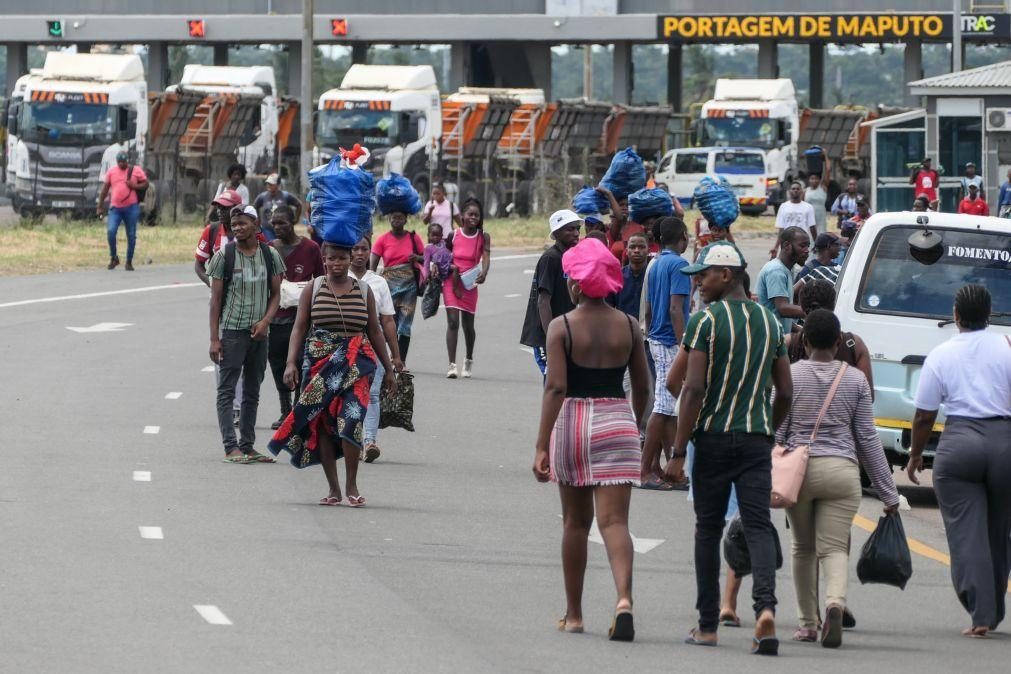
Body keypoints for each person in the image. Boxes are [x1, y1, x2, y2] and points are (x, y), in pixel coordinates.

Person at [673, 241, 793, 655]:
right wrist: (767, 431)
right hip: (756, 440)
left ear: (725, 275)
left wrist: (676, 451)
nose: (699, 285)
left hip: (712, 439)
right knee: (758, 526)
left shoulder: (705, 322)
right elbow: (786, 392)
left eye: (703, 276)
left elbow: (690, 388)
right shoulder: (772, 324)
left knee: (708, 529)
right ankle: (766, 611)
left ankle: (708, 625)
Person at [532, 237, 651, 641]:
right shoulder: (629, 325)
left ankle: (575, 613)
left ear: (578, 285)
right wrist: (630, 425)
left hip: (575, 424)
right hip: (618, 419)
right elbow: (644, 388)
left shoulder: (561, 326)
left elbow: (556, 389)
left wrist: (541, 444)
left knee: (576, 524)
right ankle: (623, 601)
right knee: (616, 522)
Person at [777, 309, 900, 648]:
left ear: (803, 342)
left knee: (803, 548)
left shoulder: (791, 374)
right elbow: (867, 440)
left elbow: (778, 429)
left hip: (799, 472)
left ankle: (806, 623)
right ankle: (835, 603)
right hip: (842, 472)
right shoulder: (855, 380)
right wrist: (889, 494)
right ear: (837, 342)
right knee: (833, 548)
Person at [908, 284, 1011, 639]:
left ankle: (981, 613)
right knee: (999, 531)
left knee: (968, 533)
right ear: (989, 314)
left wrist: (916, 455)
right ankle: (994, 609)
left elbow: (924, 415)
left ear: (955, 315)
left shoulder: (941, 354)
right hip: (1004, 444)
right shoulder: (1007, 346)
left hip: (959, 444)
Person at [269, 242, 396, 506]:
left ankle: (352, 484)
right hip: (320, 363)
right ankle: (334, 488)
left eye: (342, 258)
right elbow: (299, 328)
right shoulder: (313, 288)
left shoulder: (364, 290)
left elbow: (374, 331)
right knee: (324, 425)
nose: (337, 263)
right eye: (331, 259)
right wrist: (291, 362)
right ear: (324, 261)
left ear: (351, 260)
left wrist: (390, 368)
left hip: (356, 364)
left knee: (351, 420)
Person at [208, 205, 285, 464]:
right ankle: (231, 447)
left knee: (252, 390)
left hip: (259, 334)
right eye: (234, 224)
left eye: (243, 223)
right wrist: (214, 339)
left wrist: (265, 322)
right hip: (232, 331)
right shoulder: (224, 256)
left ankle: (248, 445)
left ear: (255, 225)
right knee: (227, 390)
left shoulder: (270, 255)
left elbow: (276, 294)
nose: (238, 228)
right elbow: (215, 300)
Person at [640, 218, 692, 490]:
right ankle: (644, 470)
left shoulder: (656, 263)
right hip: (670, 341)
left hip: (656, 338)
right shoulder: (680, 265)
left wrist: (651, 335)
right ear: (682, 237)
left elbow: (648, 308)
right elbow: (676, 309)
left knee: (669, 407)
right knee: (662, 407)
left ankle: (673, 468)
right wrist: (686, 344)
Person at [267, 207, 324, 430]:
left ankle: (299, 409)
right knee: (277, 362)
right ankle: (285, 410)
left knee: (301, 361)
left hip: (301, 319)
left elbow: (320, 280)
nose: (278, 228)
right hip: (276, 317)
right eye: (274, 224)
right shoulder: (271, 249)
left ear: (293, 222)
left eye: (282, 223)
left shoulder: (311, 248)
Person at [350, 236, 404, 464]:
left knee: (372, 394)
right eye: (356, 249)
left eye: (365, 249)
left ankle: (369, 441)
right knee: (349, 394)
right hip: (346, 344)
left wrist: (396, 355)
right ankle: (348, 440)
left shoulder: (378, 282)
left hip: (374, 343)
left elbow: (388, 320)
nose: (360, 253)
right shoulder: (338, 277)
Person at [520, 210, 581, 376]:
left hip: (565, 331)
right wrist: (551, 337)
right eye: (570, 229)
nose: (576, 233)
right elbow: (543, 301)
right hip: (546, 334)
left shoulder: (571, 256)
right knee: (553, 377)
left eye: (577, 228)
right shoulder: (551, 258)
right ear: (556, 233)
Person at [788, 280, 875, 395]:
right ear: (833, 305)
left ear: (802, 307)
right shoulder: (854, 344)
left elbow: (777, 393)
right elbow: (867, 396)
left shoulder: (789, 343)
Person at [444, 198, 492, 379]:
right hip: (451, 281)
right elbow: (445, 255)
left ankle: (469, 359)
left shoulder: (483, 236)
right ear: (462, 216)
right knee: (453, 322)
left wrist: (485, 272)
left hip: (470, 284)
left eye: (477, 215)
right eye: (470, 214)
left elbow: (486, 256)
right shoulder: (453, 235)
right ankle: (452, 365)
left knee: (468, 326)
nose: (473, 218)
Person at [370, 211, 425, 362]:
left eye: (400, 217)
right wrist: (369, 283)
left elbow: (426, 258)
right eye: (394, 217)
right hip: (388, 287)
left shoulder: (414, 238)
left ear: (406, 219)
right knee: (388, 323)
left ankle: (400, 361)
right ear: (389, 218)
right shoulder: (382, 240)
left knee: (405, 326)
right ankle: (386, 357)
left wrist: (417, 257)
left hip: (409, 287)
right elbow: (372, 265)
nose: (397, 220)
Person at [97, 151, 148, 271]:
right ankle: (114, 257)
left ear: (127, 160)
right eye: (119, 162)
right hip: (116, 208)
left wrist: (134, 186)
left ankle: (129, 261)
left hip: (131, 207)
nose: (122, 164)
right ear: (117, 161)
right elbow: (104, 190)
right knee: (111, 232)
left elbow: (146, 184)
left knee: (131, 234)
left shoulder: (135, 170)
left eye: (124, 161)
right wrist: (100, 206)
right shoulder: (112, 172)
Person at [757, 226, 810, 336]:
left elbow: (777, 314)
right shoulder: (776, 271)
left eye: (808, 246)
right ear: (787, 246)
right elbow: (783, 308)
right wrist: (816, 313)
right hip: (769, 340)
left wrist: (799, 330)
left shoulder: (786, 270)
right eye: (802, 246)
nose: (807, 250)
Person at [253, 173, 302, 241]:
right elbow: (255, 206)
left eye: (271, 184)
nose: (269, 185)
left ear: (278, 185)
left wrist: (295, 219)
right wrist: (258, 219)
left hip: (283, 227)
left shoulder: (285, 195)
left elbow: (298, 204)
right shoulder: (263, 196)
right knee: (272, 244)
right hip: (267, 228)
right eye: (268, 183)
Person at [772, 182, 816, 256]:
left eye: (798, 189)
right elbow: (781, 229)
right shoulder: (783, 206)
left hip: (802, 242)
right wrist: (776, 247)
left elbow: (812, 228)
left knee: (801, 265)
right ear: (789, 191)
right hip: (787, 242)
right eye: (793, 189)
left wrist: (816, 244)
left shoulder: (808, 207)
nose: (795, 190)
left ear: (801, 191)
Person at [804, 155, 831, 236]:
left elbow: (828, 170)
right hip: (809, 221)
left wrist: (825, 156)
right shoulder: (805, 191)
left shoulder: (823, 188)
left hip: (821, 220)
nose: (814, 180)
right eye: (812, 178)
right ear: (809, 180)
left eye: (816, 178)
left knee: (821, 238)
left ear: (819, 180)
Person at [421, 222, 453, 289]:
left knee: (455, 269)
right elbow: (426, 262)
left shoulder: (444, 243)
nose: (435, 237)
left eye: (438, 235)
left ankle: (454, 286)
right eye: (433, 235)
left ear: (442, 235)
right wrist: (426, 276)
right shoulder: (428, 248)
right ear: (428, 235)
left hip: (448, 266)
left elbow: (450, 252)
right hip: (438, 269)